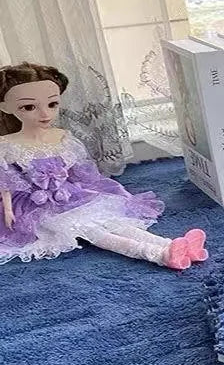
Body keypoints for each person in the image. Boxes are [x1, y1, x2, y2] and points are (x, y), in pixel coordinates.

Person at [0, 61, 207, 269]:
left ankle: (174, 245)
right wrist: (8, 211)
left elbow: (79, 172)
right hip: (38, 205)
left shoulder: (61, 137)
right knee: (95, 232)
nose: (45, 114)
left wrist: (93, 188)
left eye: (52, 104)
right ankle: (159, 254)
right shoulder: (8, 144)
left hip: (70, 195)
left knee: (111, 221)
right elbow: (6, 180)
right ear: (5, 107)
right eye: (29, 107)